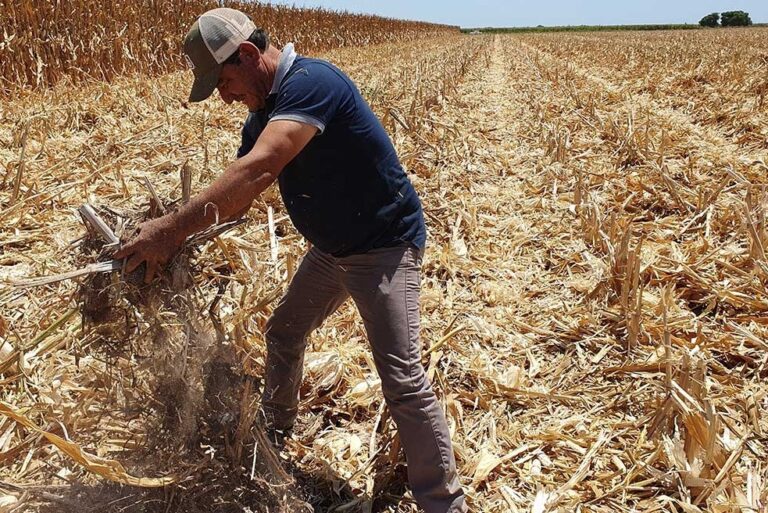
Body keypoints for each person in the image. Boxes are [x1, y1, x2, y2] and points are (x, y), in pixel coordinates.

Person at [115, 8, 467, 513]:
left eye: (224, 81)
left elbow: (259, 168)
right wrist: (174, 244)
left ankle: (443, 503)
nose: (225, 97)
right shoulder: (264, 111)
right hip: (332, 250)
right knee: (283, 332)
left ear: (248, 55)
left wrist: (170, 232)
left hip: (382, 248)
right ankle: (274, 433)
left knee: (403, 380)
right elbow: (238, 191)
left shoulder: (311, 84)